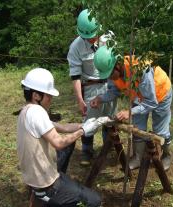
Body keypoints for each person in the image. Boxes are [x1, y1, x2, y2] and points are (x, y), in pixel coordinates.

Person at [17, 68, 101, 207]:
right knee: (94, 201)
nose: (51, 99)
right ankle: (45, 197)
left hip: (34, 177)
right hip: (45, 184)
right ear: (36, 96)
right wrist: (84, 131)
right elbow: (59, 142)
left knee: (69, 145)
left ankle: (42, 194)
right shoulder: (37, 112)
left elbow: (63, 128)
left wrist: (86, 124)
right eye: (48, 95)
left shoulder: (26, 111)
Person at [90, 45, 173, 170]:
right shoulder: (113, 73)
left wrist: (130, 112)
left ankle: (166, 155)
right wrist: (100, 98)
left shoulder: (140, 68)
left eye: (110, 74)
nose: (109, 78)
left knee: (160, 130)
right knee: (138, 127)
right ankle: (138, 158)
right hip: (138, 97)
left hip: (160, 94)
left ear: (118, 64)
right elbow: (114, 91)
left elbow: (151, 102)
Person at [67, 9, 116, 166]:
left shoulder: (109, 38)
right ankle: (87, 151)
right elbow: (75, 76)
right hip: (90, 87)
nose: (90, 40)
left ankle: (108, 148)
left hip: (110, 84)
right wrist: (80, 100)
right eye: (86, 37)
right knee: (90, 120)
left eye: (93, 36)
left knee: (110, 119)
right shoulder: (75, 47)